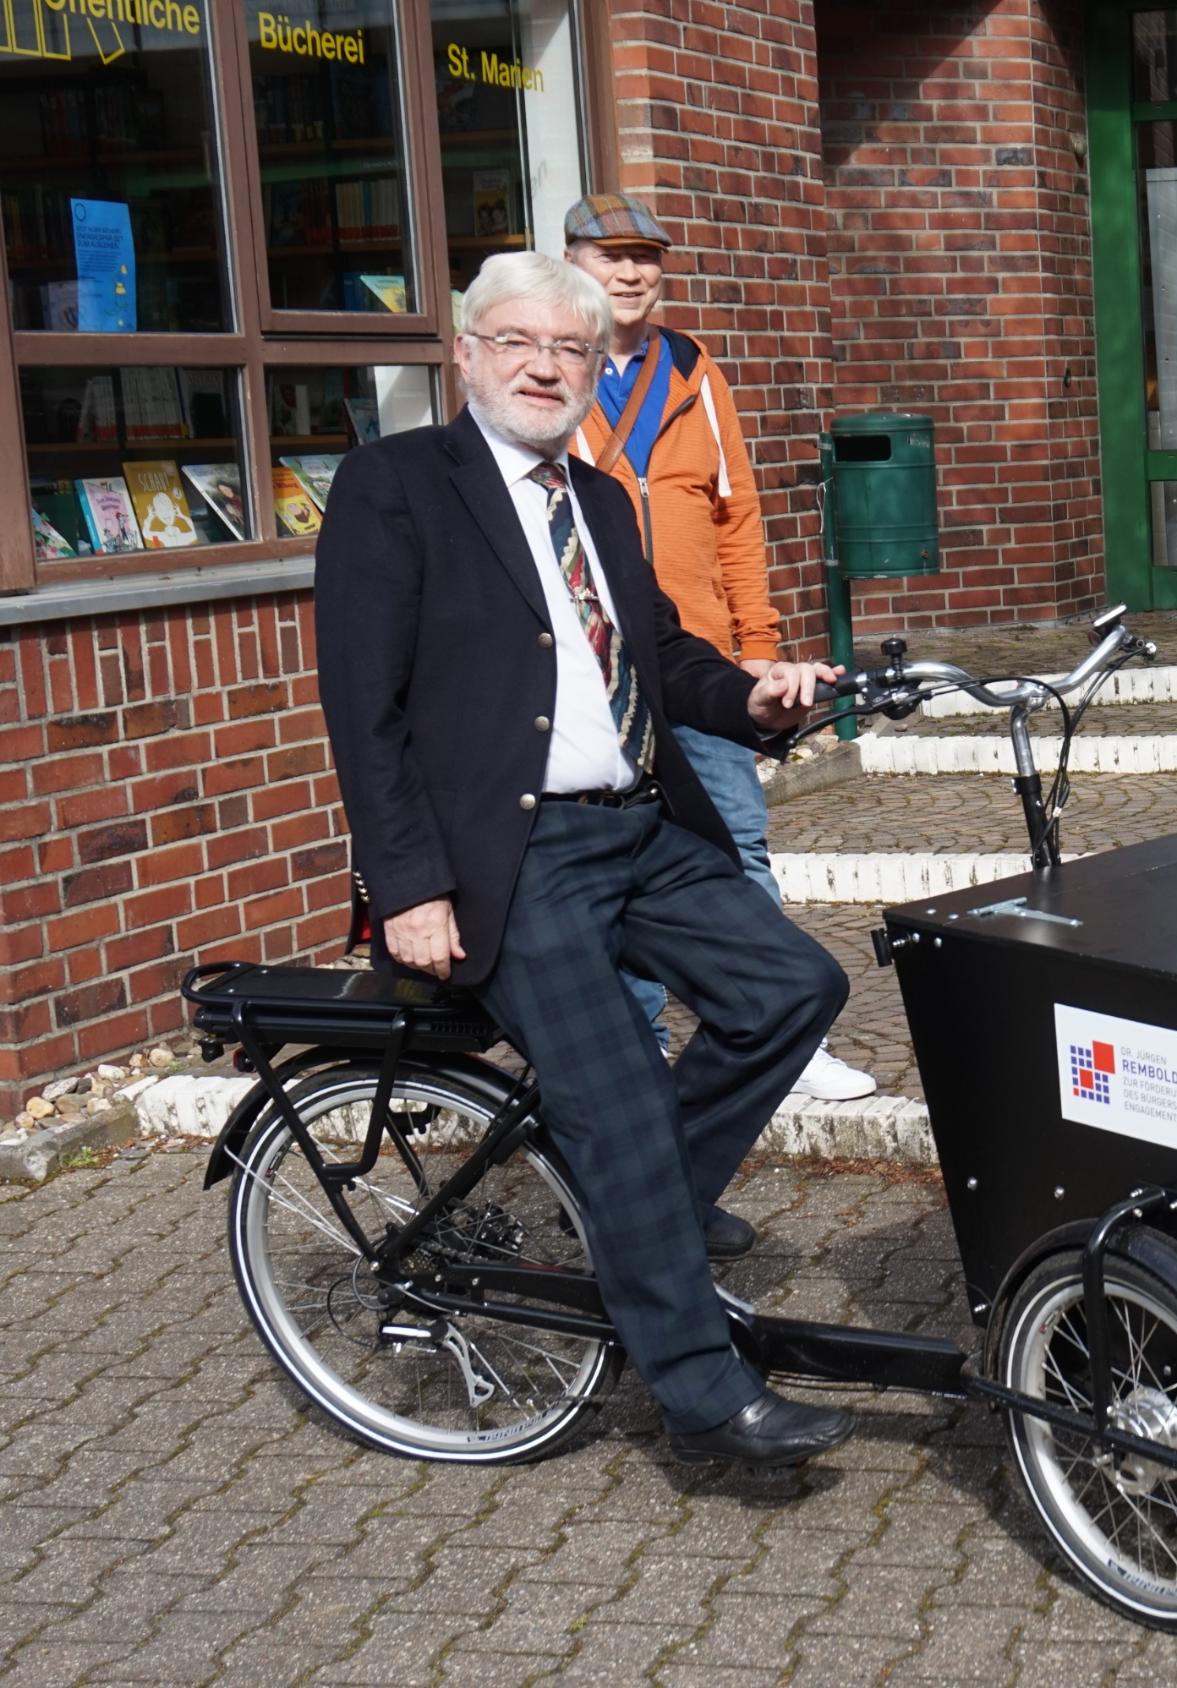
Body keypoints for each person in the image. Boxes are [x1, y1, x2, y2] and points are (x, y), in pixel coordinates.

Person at [315, 251, 857, 1470]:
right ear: (465, 354)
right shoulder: (396, 486)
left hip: (642, 826)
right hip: (511, 853)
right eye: (515, 342)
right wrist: (407, 886)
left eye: (569, 348)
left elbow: (662, 661)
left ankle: (628, 1216)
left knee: (792, 989)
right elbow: (365, 705)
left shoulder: (600, 499)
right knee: (612, 1092)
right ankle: (700, 1386)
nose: (544, 365)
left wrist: (761, 700)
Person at [562, 193, 875, 1101]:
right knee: (618, 860)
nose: (630, 273)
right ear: (572, 261)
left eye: (645, 257)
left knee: (738, 843)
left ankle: (779, 1029)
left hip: (700, 662)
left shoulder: (696, 371)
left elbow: (738, 520)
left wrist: (757, 647)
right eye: (610, 255)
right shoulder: (561, 374)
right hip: (600, 664)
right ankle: (639, 1047)